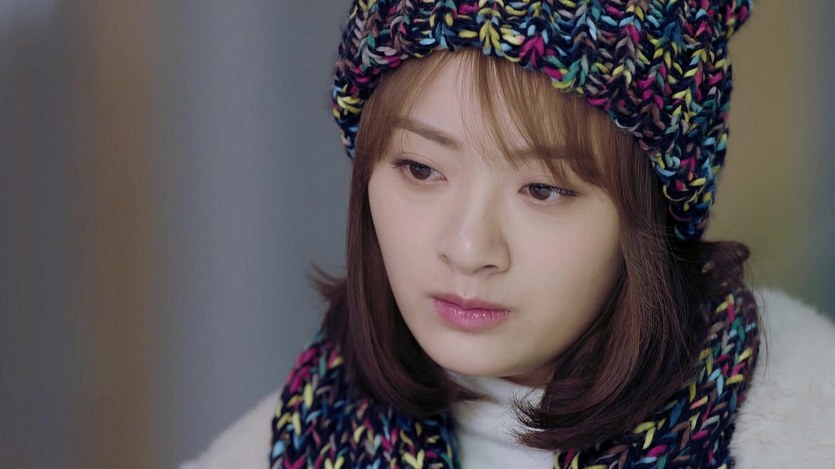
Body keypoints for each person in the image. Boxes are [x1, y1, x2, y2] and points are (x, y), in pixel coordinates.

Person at [181, 1, 835, 467]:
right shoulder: (280, 445)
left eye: (543, 189)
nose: (468, 250)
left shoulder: (807, 434)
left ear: (650, 215)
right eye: (420, 169)